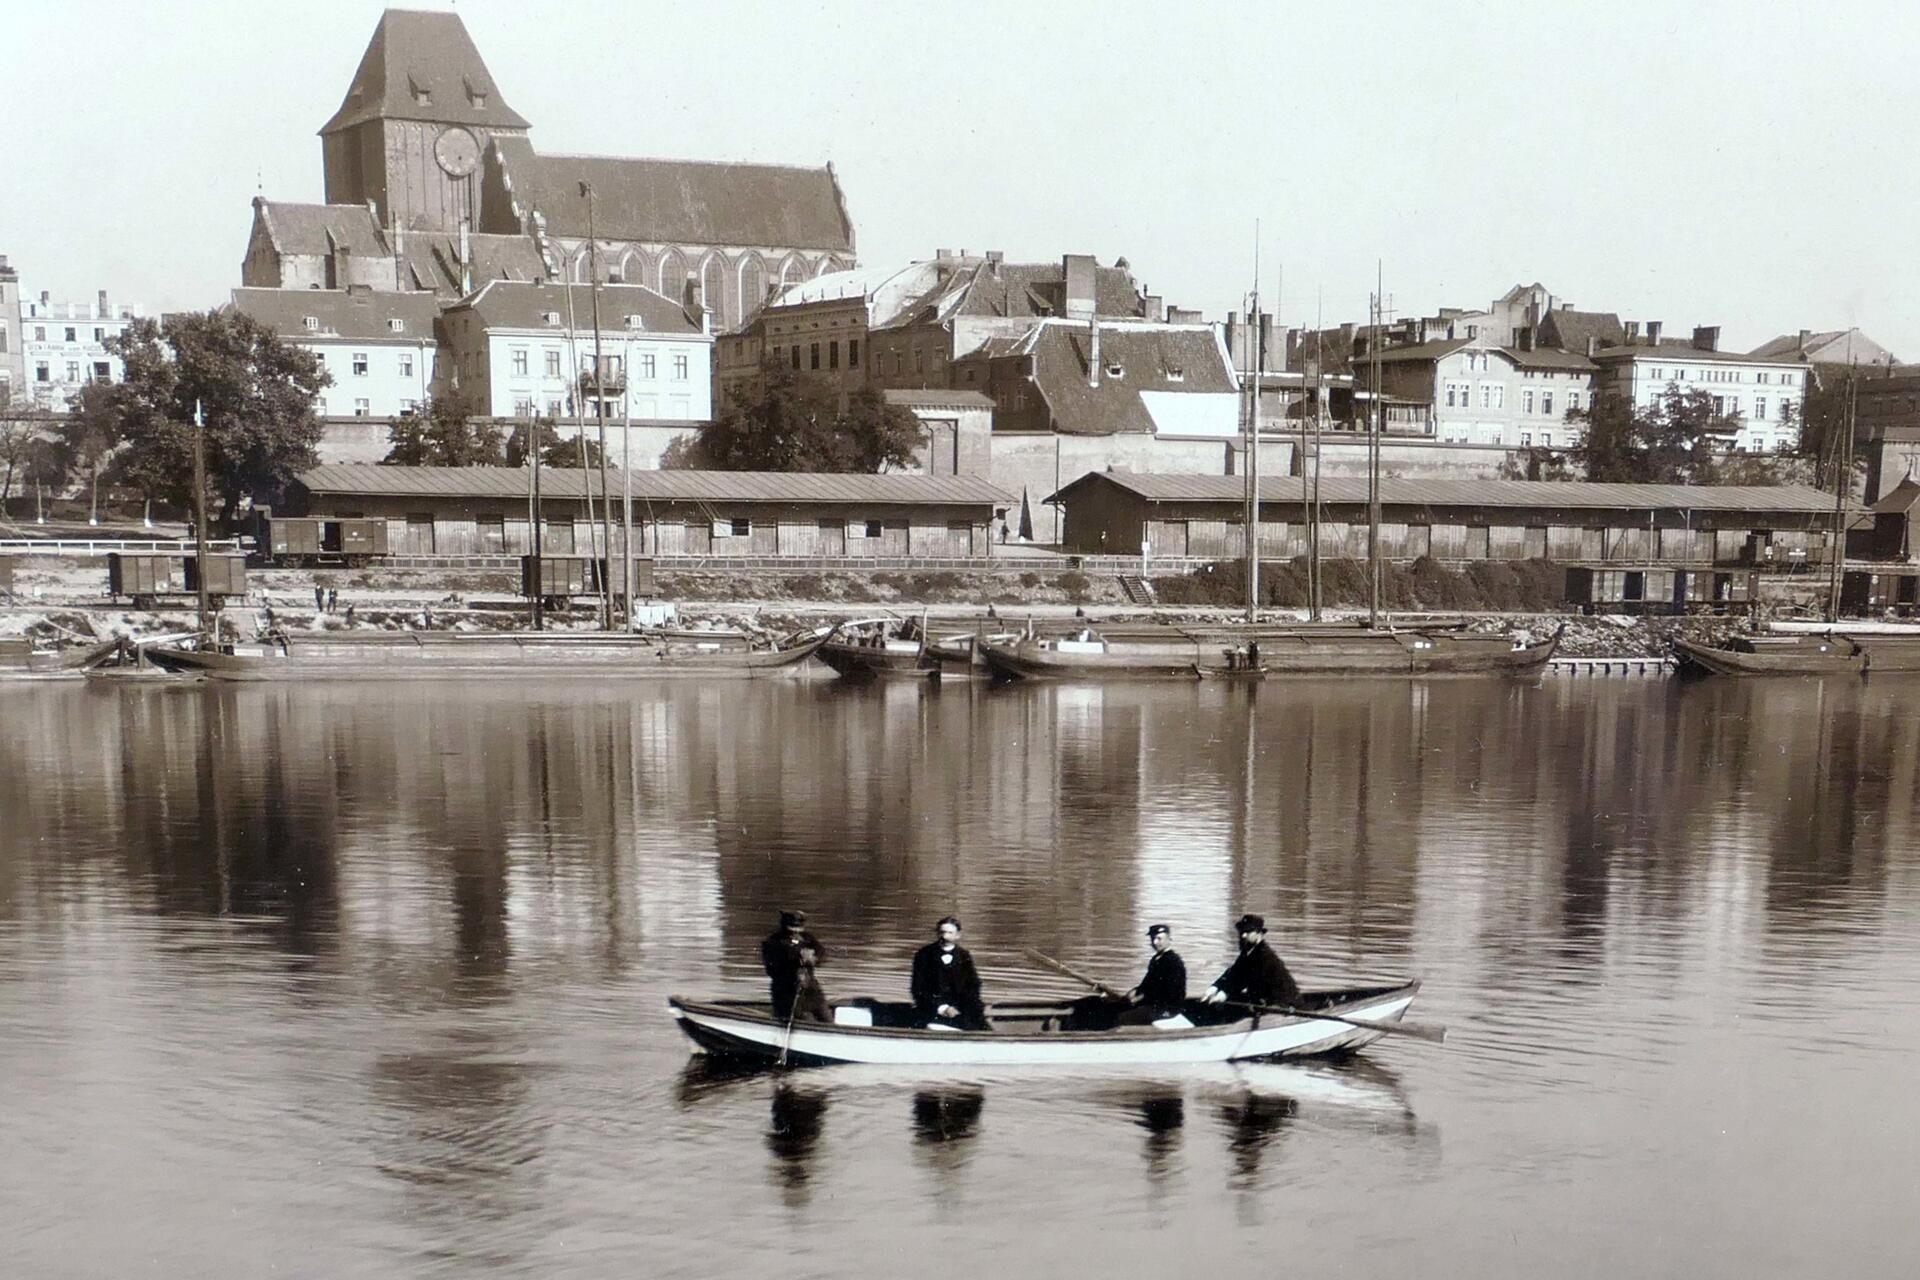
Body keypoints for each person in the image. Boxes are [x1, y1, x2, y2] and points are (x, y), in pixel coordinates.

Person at [1201, 914, 1301, 1010]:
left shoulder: (1266, 956)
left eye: (1248, 931)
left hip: (1282, 1004)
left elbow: (1246, 980)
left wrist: (1225, 993)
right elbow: (1233, 973)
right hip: (1260, 999)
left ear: (1259, 934)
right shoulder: (1248, 952)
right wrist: (1215, 987)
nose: (1243, 935)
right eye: (1242, 931)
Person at [910, 916, 987, 1029]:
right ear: (937, 933)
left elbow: (973, 986)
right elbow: (917, 989)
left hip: (959, 1010)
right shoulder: (924, 955)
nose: (945, 936)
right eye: (942, 932)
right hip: (932, 1009)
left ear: (957, 935)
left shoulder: (964, 956)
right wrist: (942, 1008)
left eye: (950, 933)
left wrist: (961, 1007)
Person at [761, 910, 831, 1023]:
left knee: (826, 1018)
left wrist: (814, 958)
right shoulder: (772, 942)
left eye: (798, 931)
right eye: (791, 932)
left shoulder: (807, 938)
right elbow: (773, 968)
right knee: (801, 1020)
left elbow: (821, 952)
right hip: (786, 993)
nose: (795, 934)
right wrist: (798, 958)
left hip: (811, 990)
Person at [1121, 923, 1188, 1025]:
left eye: (1159, 939)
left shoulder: (1174, 962)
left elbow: (1169, 992)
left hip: (1167, 1009)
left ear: (1169, 939)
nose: (1155, 942)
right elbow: (1147, 984)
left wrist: (1139, 998)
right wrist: (1135, 991)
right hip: (1155, 1005)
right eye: (1152, 939)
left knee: (1124, 1017)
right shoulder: (1156, 959)